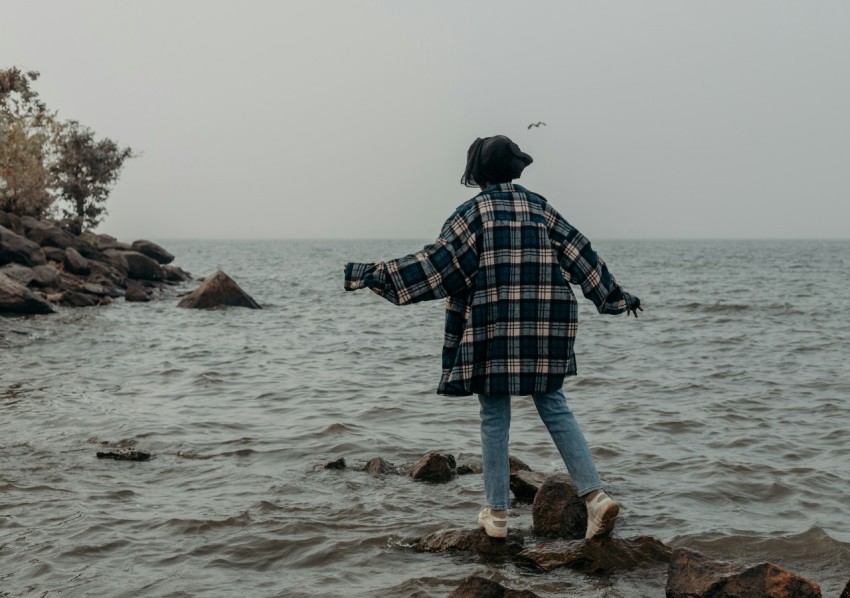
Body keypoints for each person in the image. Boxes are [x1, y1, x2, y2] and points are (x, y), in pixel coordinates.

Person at [343, 135, 641, 540]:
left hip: (492, 325)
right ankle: (595, 497)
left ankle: (497, 515)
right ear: (515, 169)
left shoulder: (472, 214)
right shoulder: (540, 208)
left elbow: (435, 267)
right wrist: (617, 297)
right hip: (546, 322)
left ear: (479, 173)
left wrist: (370, 274)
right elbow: (582, 255)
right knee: (554, 405)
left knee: (494, 414)